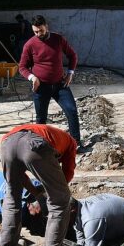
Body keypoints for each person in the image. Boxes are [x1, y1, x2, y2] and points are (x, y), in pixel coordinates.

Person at [0, 123, 78, 246]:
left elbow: (21, 177)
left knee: (11, 197)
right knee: (60, 201)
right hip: (33, 144)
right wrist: (51, 192)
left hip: (7, 144)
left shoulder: (47, 132)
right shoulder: (70, 143)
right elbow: (67, 173)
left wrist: (37, 193)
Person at [18, 15, 83, 151]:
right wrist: (32, 78)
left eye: (40, 30)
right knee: (41, 119)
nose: (38, 34)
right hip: (41, 87)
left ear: (46, 26)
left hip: (60, 84)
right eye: (35, 31)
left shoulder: (58, 39)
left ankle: (76, 144)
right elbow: (22, 67)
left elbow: (72, 55)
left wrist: (70, 73)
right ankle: (40, 147)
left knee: (71, 110)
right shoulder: (30, 44)